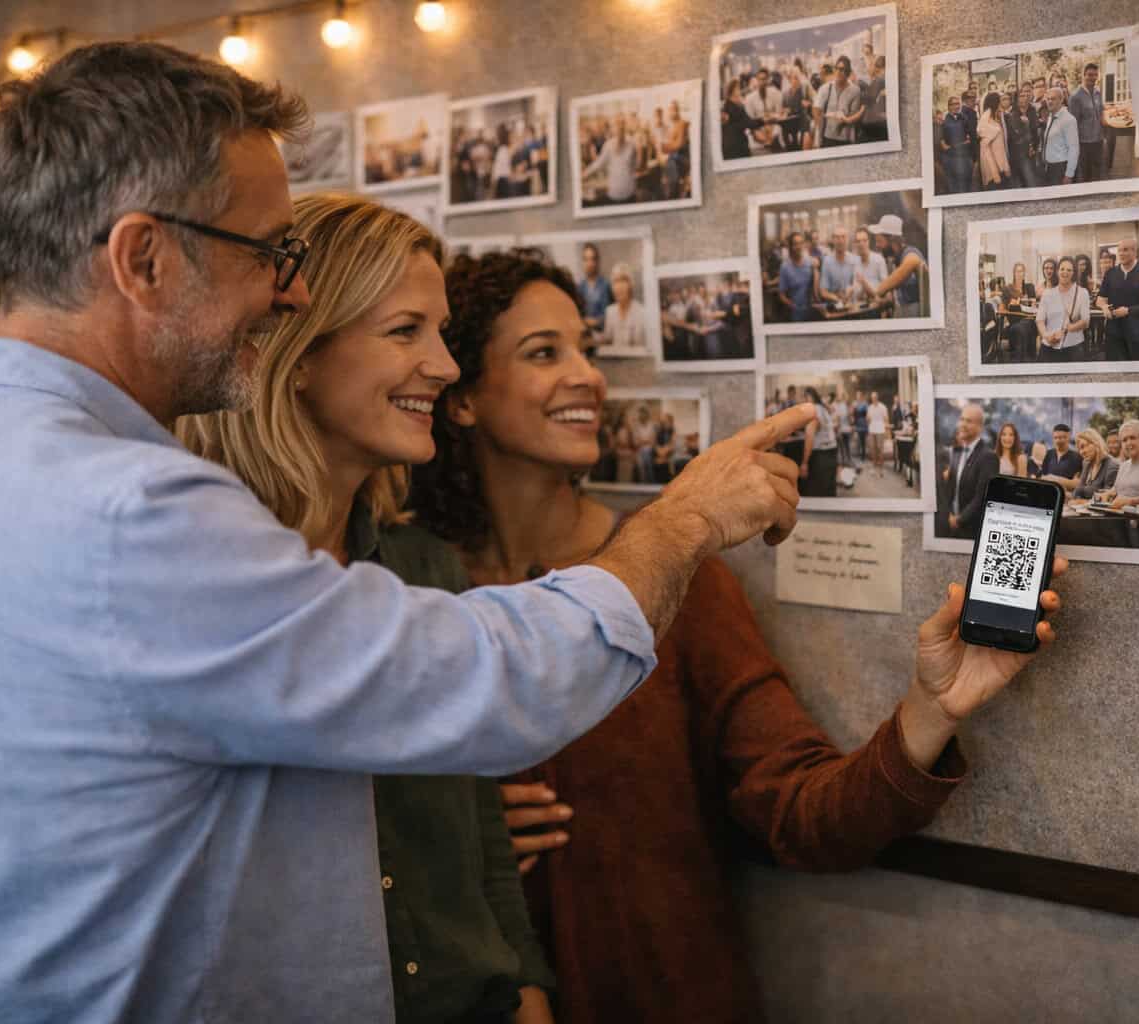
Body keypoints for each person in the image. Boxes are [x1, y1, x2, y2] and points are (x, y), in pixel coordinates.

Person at [0, 41, 816, 1023]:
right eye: (269, 252)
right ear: (143, 259)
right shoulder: (131, 511)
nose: (289, 291)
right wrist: (690, 516)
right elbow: (479, 681)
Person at [408, 250, 1065, 1024]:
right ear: (461, 397)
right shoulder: (408, 585)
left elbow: (803, 813)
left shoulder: (675, 582)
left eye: (586, 348)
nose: (587, 375)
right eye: (544, 353)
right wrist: (458, 838)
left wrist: (932, 709)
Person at [174, 195, 557, 1024]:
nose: (447, 366)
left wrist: (526, 994)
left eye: (443, 332)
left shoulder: (425, 569)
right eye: (404, 331)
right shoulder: (202, 576)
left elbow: (481, 834)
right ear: (298, 354)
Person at [938, 402, 999, 539]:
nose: (963, 424)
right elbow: (950, 490)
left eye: (969, 421)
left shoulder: (988, 457)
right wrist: (948, 515)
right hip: (950, 528)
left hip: (972, 531)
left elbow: (983, 497)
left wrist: (959, 520)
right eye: (962, 419)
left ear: (980, 427)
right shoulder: (956, 453)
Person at [858, 213, 926, 319]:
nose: (877, 245)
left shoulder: (910, 253)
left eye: (879, 241)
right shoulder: (895, 261)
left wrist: (878, 291)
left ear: (893, 239)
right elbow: (898, 299)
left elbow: (913, 261)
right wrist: (883, 303)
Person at [1097, 418, 1139, 509]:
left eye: (1132, 438)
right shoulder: (1124, 465)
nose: (1128, 443)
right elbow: (1117, 489)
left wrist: (1130, 501)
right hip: (1117, 515)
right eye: (1124, 440)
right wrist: (1106, 494)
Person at [1036, 256, 1089, 363]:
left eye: (1069, 270)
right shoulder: (1048, 293)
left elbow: (1085, 321)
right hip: (1048, 346)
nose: (1065, 272)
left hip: (1073, 346)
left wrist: (1070, 328)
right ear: (1057, 271)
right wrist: (1047, 336)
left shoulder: (1082, 293)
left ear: (1074, 273)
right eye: (1062, 269)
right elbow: (1040, 320)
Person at [581, 115, 639, 204]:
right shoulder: (612, 145)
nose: (620, 128)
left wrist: (583, 175)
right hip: (621, 192)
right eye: (618, 125)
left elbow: (634, 167)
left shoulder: (629, 144)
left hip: (623, 192)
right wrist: (584, 175)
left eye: (621, 125)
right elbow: (598, 164)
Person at [815, 55, 864, 148]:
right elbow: (818, 113)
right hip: (827, 138)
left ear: (848, 72)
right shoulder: (826, 88)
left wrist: (843, 117)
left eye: (842, 69)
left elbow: (854, 116)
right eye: (836, 68)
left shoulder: (855, 91)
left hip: (845, 140)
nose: (838, 72)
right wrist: (819, 137)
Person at [799, 386, 839, 498]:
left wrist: (804, 463)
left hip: (821, 457)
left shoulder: (812, 411)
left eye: (804, 398)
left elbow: (809, 437)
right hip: (832, 452)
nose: (803, 401)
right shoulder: (823, 409)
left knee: (817, 493)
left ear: (809, 397)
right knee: (829, 492)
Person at [1069, 62, 1105, 183]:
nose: (1093, 78)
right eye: (1090, 75)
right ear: (1083, 75)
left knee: (1098, 173)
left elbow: (1101, 112)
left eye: (1095, 75)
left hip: (1098, 140)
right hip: (1084, 143)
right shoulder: (1075, 96)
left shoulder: (1098, 92)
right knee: (1086, 175)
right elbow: (1073, 124)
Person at [602, 262, 646, 355]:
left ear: (630, 284)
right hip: (615, 364)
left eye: (623, 281)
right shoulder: (610, 311)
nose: (618, 287)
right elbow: (607, 341)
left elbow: (639, 348)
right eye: (615, 282)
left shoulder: (641, 311)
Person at [1065, 428, 1120, 501]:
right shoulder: (1086, 463)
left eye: (1083, 446)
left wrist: (1082, 502)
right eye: (1079, 449)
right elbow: (1078, 490)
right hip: (1081, 509)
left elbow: (1107, 499)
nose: (1081, 452)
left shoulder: (1112, 465)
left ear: (1095, 443)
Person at [1039, 85, 1079, 185]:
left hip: (1060, 168)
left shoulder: (1068, 120)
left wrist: (1069, 174)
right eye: (1048, 99)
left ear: (1061, 100)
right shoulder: (1051, 116)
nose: (1049, 101)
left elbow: (1074, 148)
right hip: (1049, 168)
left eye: (1053, 99)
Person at [720, 78, 765, 161]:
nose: (740, 91)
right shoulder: (735, 108)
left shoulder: (727, 106)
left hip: (728, 146)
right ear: (733, 91)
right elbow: (749, 123)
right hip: (737, 146)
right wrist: (764, 120)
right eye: (738, 88)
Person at [775, 230, 816, 323]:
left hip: (812, 311)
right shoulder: (785, 267)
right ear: (790, 246)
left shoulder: (809, 262)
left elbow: (815, 287)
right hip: (796, 314)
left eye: (801, 243)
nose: (799, 247)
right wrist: (793, 306)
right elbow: (781, 295)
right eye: (795, 244)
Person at [1006, 83, 1041, 189]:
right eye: (1021, 95)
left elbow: (1035, 130)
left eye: (1026, 95)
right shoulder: (1012, 114)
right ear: (1016, 99)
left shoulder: (1032, 110)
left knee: (1031, 181)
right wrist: (1026, 126)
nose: (1025, 97)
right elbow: (1016, 136)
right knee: (1028, 182)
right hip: (1019, 154)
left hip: (1031, 152)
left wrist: (1034, 146)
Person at [818, 226, 860, 311]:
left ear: (848, 240)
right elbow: (823, 291)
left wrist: (852, 289)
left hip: (851, 308)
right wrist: (837, 298)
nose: (840, 241)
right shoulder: (827, 261)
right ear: (833, 240)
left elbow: (857, 284)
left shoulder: (855, 260)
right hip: (834, 308)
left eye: (843, 237)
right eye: (837, 237)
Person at [939, 93, 975, 194]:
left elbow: (969, 137)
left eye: (958, 104)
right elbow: (943, 145)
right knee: (954, 187)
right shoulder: (944, 122)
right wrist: (959, 145)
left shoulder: (964, 118)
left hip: (965, 157)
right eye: (953, 104)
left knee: (967, 184)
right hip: (952, 159)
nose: (956, 106)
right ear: (949, 106)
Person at [576, 242, 611, 341]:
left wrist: (595, 322)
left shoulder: (605, 285)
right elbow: (577, 315)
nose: (589, 263)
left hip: (602, 336)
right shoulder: (579, 287)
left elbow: (609, 315)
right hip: (584, 336)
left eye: (592, 259)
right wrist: (584, 322)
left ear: (597, 262)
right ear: (583, 262)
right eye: (586, 259)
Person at [977, 92, 1012, 189]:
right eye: (1000, 100)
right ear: (995, 102)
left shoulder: (997, 116)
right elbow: (985, 149)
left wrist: (1005, 167)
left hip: (1001, 167)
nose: (1002, 103)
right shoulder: (986, 119)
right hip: (994, 171)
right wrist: (994, 173)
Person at [744, 67, 783, 150]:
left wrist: (771, 118)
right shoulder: (750, 98)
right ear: (757, 80)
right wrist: (762, 121)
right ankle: (768, 143)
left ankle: (769, 143)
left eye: (764, 79)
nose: (762, 82)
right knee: (755, 131)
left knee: (777, 129)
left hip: (773, 124)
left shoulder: (774, 93)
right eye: (760, 79)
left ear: (768, 80)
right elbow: (749, 120)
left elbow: (779, 113)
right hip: (758, 127)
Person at [660, 99, 690, 200]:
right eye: (670, 110)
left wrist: (667, 147)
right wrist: (667, 147)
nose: (672, 112)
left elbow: (679, 144)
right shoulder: (670, 127)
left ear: (677, 111)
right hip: (674, 159)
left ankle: (672, 194)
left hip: (682, 160)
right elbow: (666, 146)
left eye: (674, 109)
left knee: (670, 164)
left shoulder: (683, 124)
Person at [860, 55, 890, 143]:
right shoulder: (880, 80)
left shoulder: (879, 79)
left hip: (874, 124)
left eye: (870, 65)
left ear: (877, 67)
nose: (868, 68)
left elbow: (868, 98)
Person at [866, 390, 890, 474]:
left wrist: (887, 432)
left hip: (880, 429)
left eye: (875, 397)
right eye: (872, 398)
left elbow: (886, 419)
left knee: (880, 448)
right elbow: (868, 418)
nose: (873, 399)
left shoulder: (882, 407)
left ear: (877, 398)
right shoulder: (870, 407)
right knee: (873, 449)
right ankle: (874, 466)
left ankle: (881, 467)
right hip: (872, 429)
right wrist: (868, 421)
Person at [832, 391, 855, 469]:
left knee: (848, 446)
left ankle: (848, 461)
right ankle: (842, 463)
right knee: (840, 448)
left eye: (840, 396)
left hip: (847, 429)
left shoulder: (844, 405)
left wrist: (851, 425)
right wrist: (838, 430)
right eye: (838, 396)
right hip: (839, 430)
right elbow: (835, 418)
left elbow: (849, 417)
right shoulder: (834, 405)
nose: (839, 398)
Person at [852, 389, 870, 464]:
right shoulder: (854, 403)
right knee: (857, 440)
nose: (858, 396)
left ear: (861, 396)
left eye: (859, 395)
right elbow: (853, 414)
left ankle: (863, 455)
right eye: (857, 395)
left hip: (863, 423)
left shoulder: (865, 404)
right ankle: (859, 454)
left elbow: (867, 414)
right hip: (857, 423)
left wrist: (868, 424)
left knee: (863, 440)